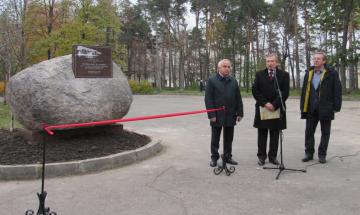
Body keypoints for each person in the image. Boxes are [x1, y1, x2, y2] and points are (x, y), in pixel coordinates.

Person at [300, 52, 342, 164]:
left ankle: (322, 154)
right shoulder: (309, 73)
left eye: (318, 59)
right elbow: (304, 91)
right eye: (314, 59)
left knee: (325, 132)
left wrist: (337, 106)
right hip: (311, 108)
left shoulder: (332, 73)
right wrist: (302, 106)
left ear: (324, 61)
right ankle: (309, 153)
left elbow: (337, 90)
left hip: (326, 108)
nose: (316, 60)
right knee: (309, 131)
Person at [252, 53, 289, 166]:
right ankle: (261, 156)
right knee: (262, 134)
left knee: (274, 134)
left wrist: (274, 104)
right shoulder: (259, 75)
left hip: (277, 108)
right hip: (263, 108)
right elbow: (255, 91)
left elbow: (285, 92)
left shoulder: (284, 75)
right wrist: (266, 103)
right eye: (268, 61)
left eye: (272, 61)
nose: (270, 63)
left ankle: (273, 157)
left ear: (277, 62)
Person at [205, 59, 243, 167]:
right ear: (219, 68)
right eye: (225, 66)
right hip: (217, 115)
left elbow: (238, 98)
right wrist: (211, 115)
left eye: (229, 67)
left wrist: (240, 112)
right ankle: (214, 157)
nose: (227, 68)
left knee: (229, 138)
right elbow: (208, 99)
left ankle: (227, 156)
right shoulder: (212, 80)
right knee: (215, 138)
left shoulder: (233, 81)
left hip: (230, 114)